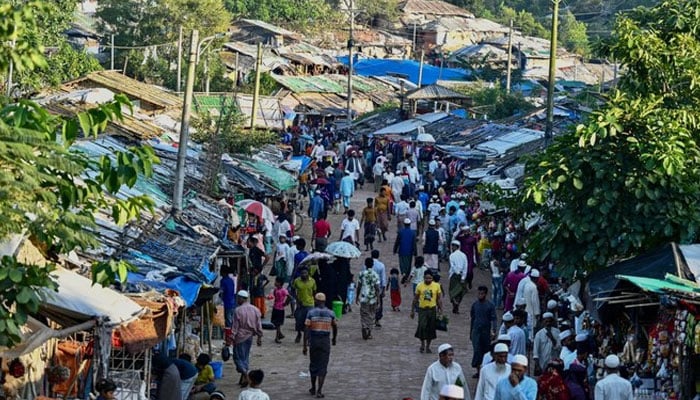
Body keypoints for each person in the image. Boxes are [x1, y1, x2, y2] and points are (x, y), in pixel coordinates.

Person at [303, 292, 338, 399]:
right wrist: (334, 338)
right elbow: (335, 327)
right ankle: (319, 390)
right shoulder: (331, 313)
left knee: (313, 364)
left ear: (316, 301)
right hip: (325, 341)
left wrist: (304, 345)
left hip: (314, 340)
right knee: (323, 365)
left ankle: (313, 387)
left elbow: (306, 329)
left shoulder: (311, 312)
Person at [231, 290, 263, 387]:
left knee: (238, 358)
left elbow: (235, 327)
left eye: (238, 298)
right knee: (245, 357)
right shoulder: (255, 309)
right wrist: (259, 337)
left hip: (240, 337)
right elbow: (258, 325)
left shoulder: (238, 310)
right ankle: (243, 378)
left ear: (241, 298)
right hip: (249, 336)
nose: (237, 300)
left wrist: (231, 337)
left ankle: (246, 375)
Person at [412, 270, 443, 354]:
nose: (428, 280)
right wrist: (412, 310)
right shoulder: (419, 286)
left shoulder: (436, 286)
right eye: (426, 278)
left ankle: (428, 346)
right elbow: (415, 298)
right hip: (422, 309)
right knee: (422, 326)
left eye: (430, 278)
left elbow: (439, 299)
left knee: (430, 328)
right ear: (424, 278)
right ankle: (422, 344)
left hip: (432, 309)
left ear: (432, 278)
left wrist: (440, 310)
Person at [470, 286, 497, 379]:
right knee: (477, 351)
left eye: (482, 293)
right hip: (476, 331)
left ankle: (485, 370)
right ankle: (478, 371)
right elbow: (472, 319)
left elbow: (494, 319)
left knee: (486, 351)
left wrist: (494, 330)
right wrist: (471, 332)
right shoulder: (475, 305)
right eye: (479, 293)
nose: (480, 295)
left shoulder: (490, 305)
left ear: (485, 294)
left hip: (486, 331)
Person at [356, 257, 381, 340]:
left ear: (365, 264)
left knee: (364, 314)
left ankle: (364, 326)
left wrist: (357, 297)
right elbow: (377, 288)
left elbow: (359, 286)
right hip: (372, 298)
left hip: (364, 297)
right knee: (372, 314)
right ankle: (369, 332)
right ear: (372, 265)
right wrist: (378, 299)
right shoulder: (375, 274)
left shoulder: (361, 274)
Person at [293, 267, 317, 344]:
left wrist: (315, 302)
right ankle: (299, 333)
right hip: (300, 304)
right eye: (302, 273)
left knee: (309, 322)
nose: (304, 274)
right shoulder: (297, 281)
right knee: (298, 320)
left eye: (305, 273)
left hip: (310, 304)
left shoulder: (312, 281)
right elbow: (293, 290)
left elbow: (314, 292)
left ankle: (309, 339)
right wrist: (297, 299)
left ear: (308, 273)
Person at [448, 240, 468, 314]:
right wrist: (463, 277)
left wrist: (457, 272)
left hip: (454, 275)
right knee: (459, 292)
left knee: (453, 291)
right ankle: (456, 306)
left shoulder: (452, 255)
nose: (452, 247)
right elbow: (465, 267)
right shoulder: (463, 255)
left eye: (453, 246)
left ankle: (455, 304)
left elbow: (453, 266)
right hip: (461, 275)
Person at [371, 249, 387, 327]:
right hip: (378, 289)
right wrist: (383, 290)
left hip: (368, 288)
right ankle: (377, 319)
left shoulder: (367, 264)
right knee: (379, 303)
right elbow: (383, 278)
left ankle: (370, 318)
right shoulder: (381, 265)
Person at [271, 277, 291, 343]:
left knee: (278, 323)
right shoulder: (275, 289)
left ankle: (277, 337)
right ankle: (279, 334)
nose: (275, 283)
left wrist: (286, 303)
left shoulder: (283, 290)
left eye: (276, 282)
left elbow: (289, 296)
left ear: (279, 283)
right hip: (275, 307)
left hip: (280, 308)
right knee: (275, 322)